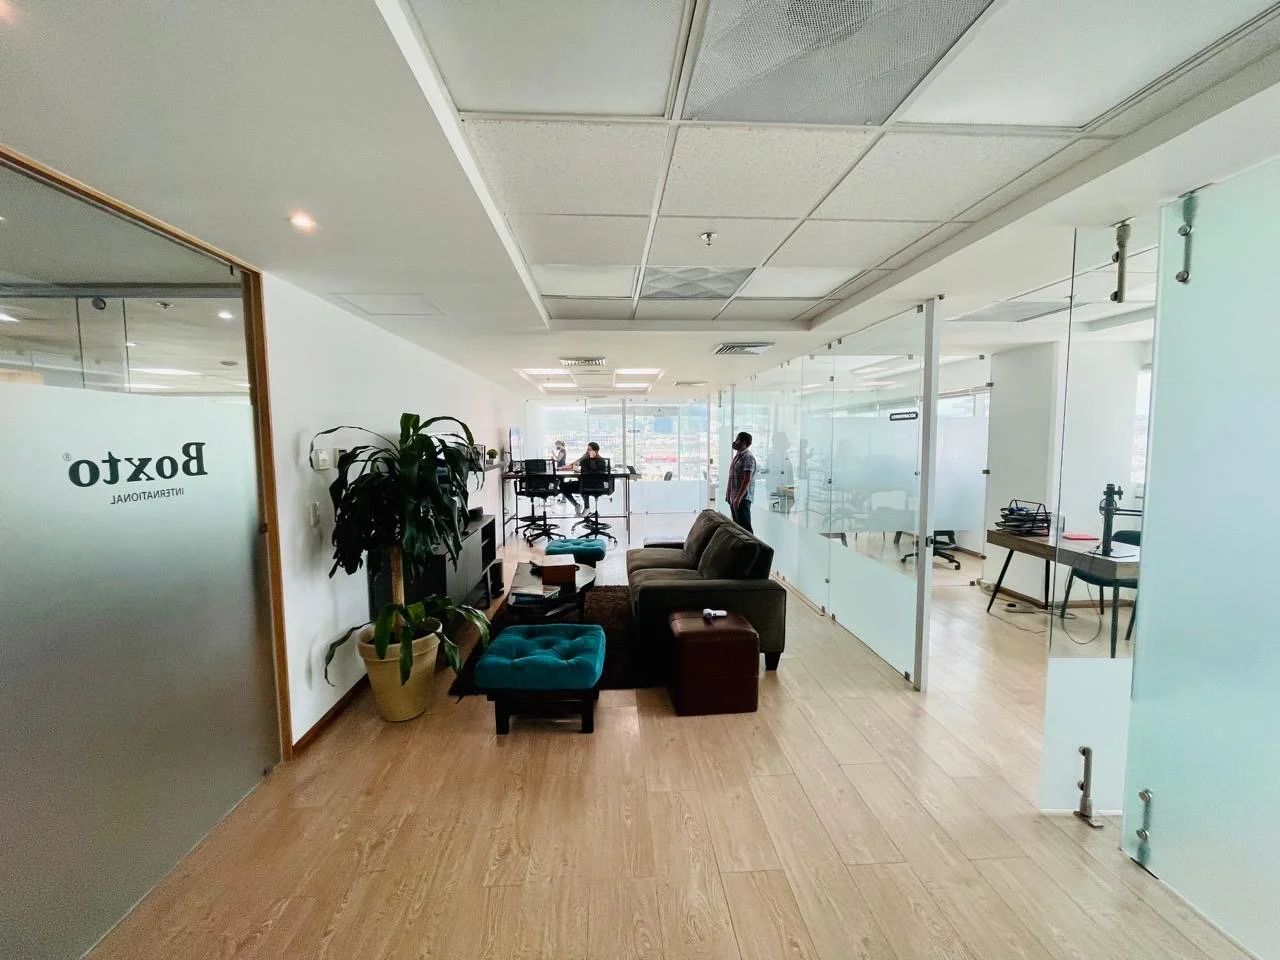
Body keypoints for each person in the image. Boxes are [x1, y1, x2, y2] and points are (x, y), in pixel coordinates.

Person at [558, 441, 602, 515]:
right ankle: (579, 505)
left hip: (591, 485)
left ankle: (585, 507)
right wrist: (563, 468)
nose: (588, 451)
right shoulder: (586, 457)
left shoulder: (599, 460)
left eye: (590, 449)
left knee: (578, 485)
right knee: (564, 486)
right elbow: (574, 464)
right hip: (590, 485)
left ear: (596, 451)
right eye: (587, 449)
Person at [726, 431, 756, 532]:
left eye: (737, 440)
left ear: (744, 443)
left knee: (745, 530)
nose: (735, 442)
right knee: (738, 529)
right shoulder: (738, 456)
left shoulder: (748, 457)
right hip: (734, 498)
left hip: (742, 499)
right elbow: (732, 476)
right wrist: (729, 494)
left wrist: (738, 498)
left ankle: (750, 544)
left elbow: (747, 479)